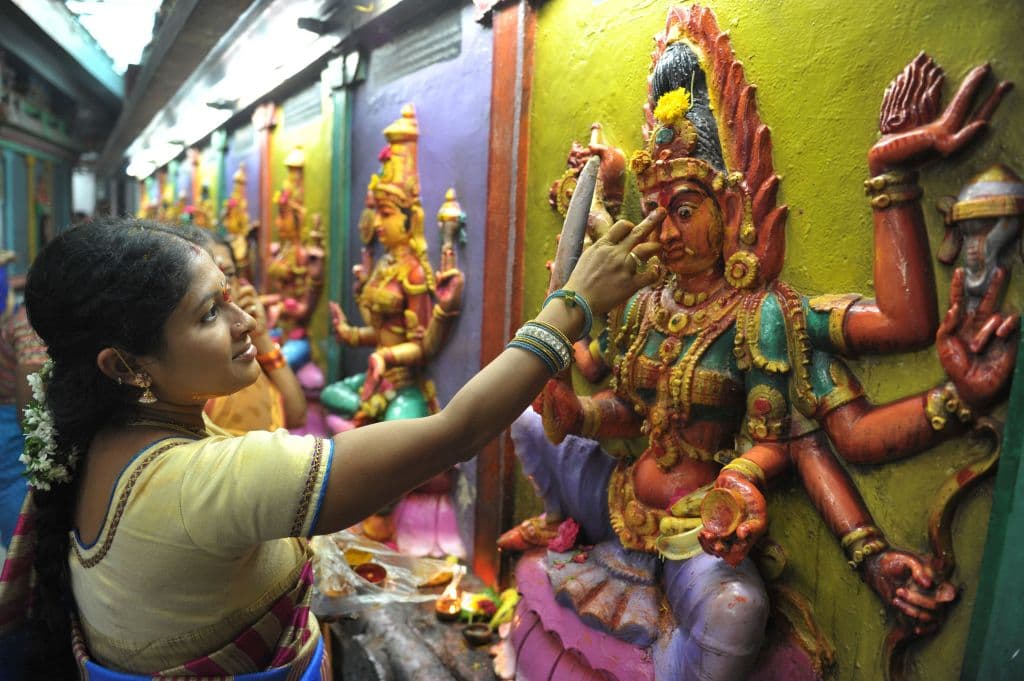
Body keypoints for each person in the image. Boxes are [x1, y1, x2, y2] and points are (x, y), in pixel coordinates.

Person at [0, 212, 660, 679]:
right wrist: (572, 305)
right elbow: (453, 431)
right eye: (208, 313)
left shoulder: (103, 441)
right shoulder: (203, 480)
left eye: (232, 297)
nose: (244, 323)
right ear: (122, 365)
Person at [197, 232, 308, 434]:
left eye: (228, 274)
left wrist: (262, 338)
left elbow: (297, 415)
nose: (226, 288)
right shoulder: (196, 357)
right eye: (209, 278)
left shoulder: (249, 346)